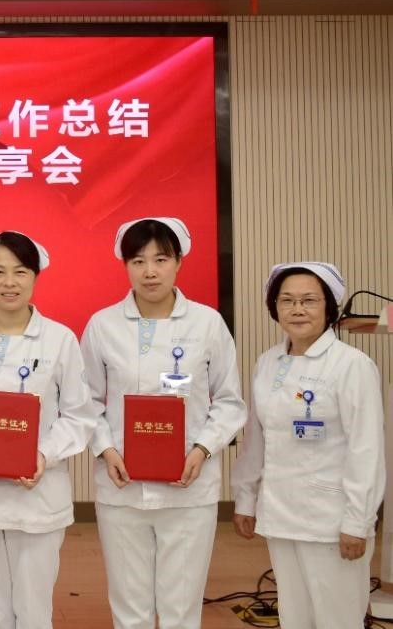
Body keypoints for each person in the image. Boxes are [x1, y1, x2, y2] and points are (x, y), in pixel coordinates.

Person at [81, 216, 245, 629]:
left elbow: (229, 402)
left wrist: (202, 449)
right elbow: (86, 401)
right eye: (138, 261)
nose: (149, 271)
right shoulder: (102, 325)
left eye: (160, 259)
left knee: (181, 609)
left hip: (188, 488)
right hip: (122, 485)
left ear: (179, 262)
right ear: (125, 266)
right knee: (129, 606)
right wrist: (106, 449)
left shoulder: (207, 323)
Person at [0, 231, 94, 629]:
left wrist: (43, 455)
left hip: (39, 492)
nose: (9, 282)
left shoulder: (60, 340)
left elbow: (78, 414)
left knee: (34, 609)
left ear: (35, 276)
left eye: (20, 271)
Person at [231, 261, 384, 629]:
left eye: (309, 300)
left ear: (329, 307)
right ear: (275, 308)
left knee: (337, 620)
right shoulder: (268, 362)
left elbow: (366, 449)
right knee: (294, 616)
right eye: (287, 300)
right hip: (281, 513)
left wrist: (358, 520)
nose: (297, 309)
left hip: (331, 518)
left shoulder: (352, 366)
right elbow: (257, 438)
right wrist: (246, 498)